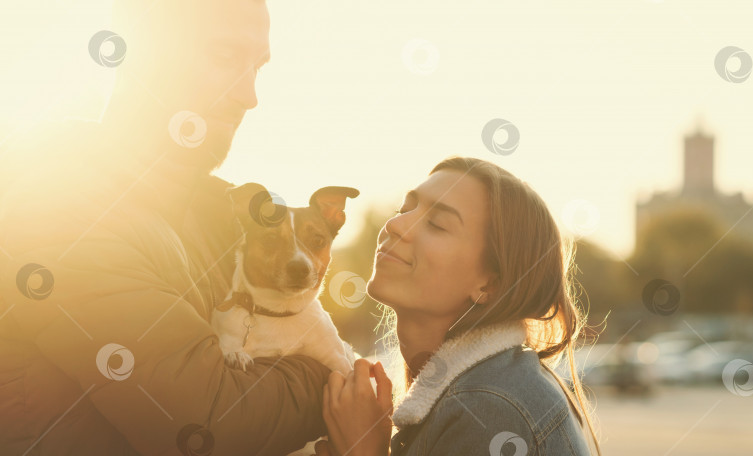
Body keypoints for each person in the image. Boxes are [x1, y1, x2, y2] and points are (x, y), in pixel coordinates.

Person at [0, 1, 332, 454]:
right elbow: (212, 422)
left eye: (257, 66)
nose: (249, 96)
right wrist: (336, 374)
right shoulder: (58, 207)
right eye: (224, 56)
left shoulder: (221, 216)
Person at [317, 157, 601, 455]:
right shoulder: (476, 392)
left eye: (437, 224)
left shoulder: (490, 409)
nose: (395, 224)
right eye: (404, 209)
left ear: (489, 285)